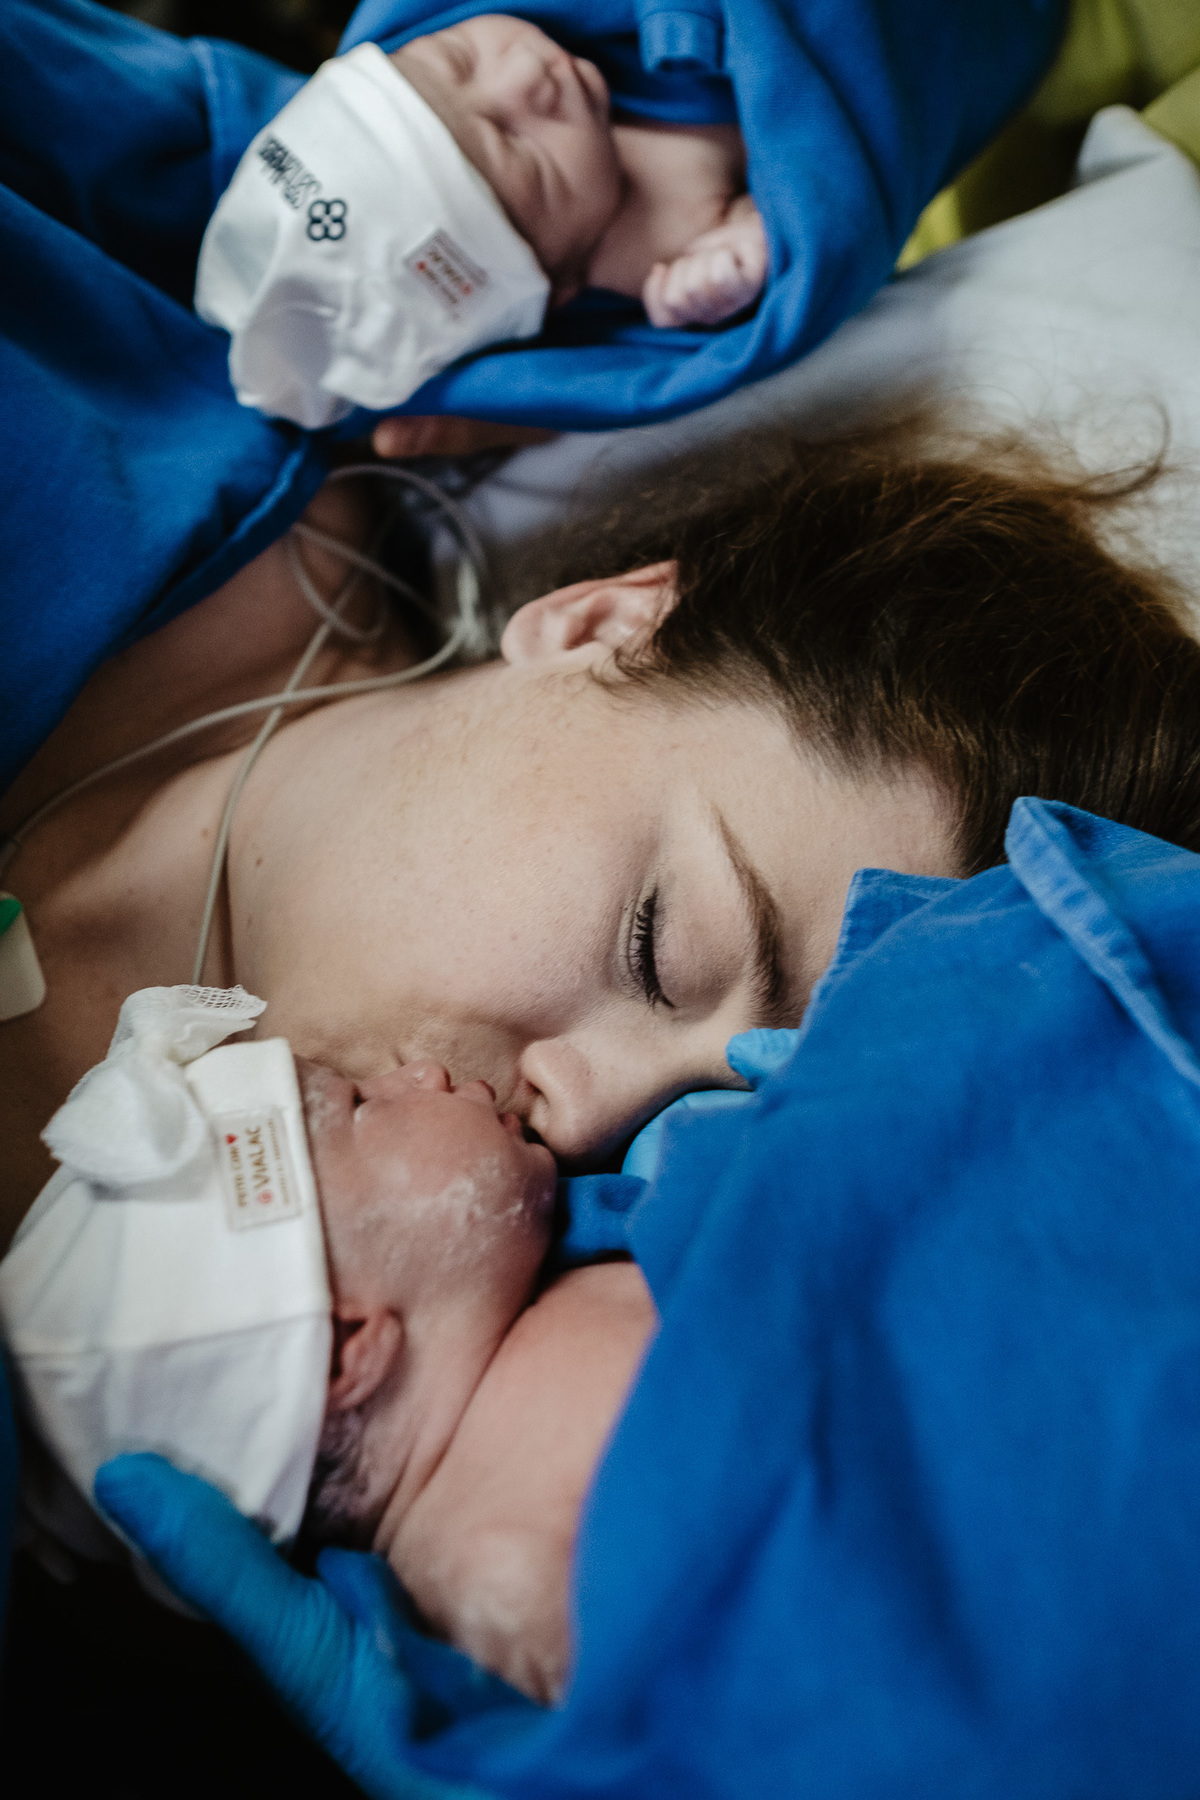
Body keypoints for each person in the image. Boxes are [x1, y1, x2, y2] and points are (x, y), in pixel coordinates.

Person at [0, 978, 653, 1703]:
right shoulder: (507, 1582)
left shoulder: (573, 1272)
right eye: (363, 1106)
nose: (418, 1073)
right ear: (350, 1347)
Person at [197, 15, 769, 428]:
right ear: (556, 283)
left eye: (459, 58)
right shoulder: (653, 251)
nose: (525, 74)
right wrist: (728, 263)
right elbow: (799, 221)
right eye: (523, 150)